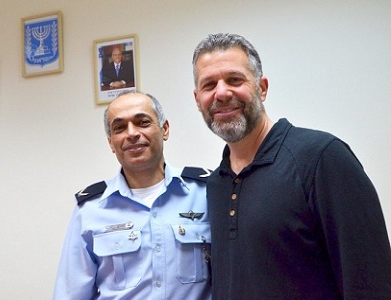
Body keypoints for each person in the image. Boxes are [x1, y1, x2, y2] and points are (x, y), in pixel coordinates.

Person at [192, 33, 391, 299]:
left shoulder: (322, 158)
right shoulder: (217, 183)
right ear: (197, 100)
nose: (222, 93)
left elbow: (369, 282)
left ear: (262, 88)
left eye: (234, 80)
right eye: (209, 85)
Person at [53, 91, 212, 299]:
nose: (131, 133)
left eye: (142, 122)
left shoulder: (205, 193)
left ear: (165, 129)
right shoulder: (90, 209)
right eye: (119, 128)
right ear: (111, 143)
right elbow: (71, 293)